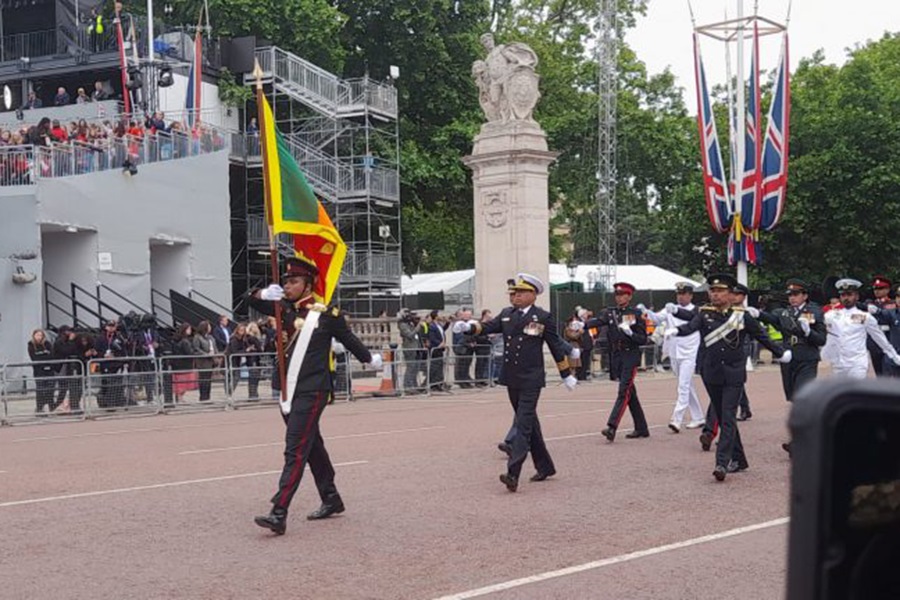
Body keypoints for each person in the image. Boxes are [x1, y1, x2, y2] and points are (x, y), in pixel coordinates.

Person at [251, 256, 381, 535]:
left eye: (294, 281)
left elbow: (349, 339)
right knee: (311, 446)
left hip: (314, 388)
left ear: (308, 284)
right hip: (288, 389)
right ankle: (331, 497)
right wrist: (262, 293)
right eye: (285, 281)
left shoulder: (326, 314)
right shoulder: (282, 308)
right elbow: (248, 301)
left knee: (295, 447)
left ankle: (279, 511)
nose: (287, 286)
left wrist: (370, 359)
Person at [458, 273, 577, 492]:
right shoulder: (506, 315)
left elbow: (555, 345)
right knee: (530, 424)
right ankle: (546, 466)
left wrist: (566, 374)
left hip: (532, 378)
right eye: (514, 293)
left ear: (533, 294)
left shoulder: (543, 317)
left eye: (521, 292)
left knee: (522, 425)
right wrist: (469, 327)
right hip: (511, 376)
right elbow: (488, 327)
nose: (516, 296)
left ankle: (513, 472)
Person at [669, 274, 791, 481]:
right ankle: (740, 459)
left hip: (734, 374)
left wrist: (780, 353)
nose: (715, 294)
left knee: (727, 416)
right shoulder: (705, 313)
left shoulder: (741, 316)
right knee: (724, 416)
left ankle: (722, 463)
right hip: (712, 373)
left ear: (730, 293)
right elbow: (690, 328)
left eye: (720, 291)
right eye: (712, 291)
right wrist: (674, 331)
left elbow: (761, 336)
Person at [752, 278, 827, 455]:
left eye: (796, 294)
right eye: (790, 295)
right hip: (789, 359)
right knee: (793, 398)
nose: (792, 298)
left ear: (805, 296)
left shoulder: (814, 311)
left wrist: (809, 332)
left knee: (802, 397)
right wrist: (756, 313)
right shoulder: (784, 313)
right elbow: (771, 319)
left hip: (807, 358)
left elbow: (821, 339)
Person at [589, 282, 650, 442]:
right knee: (630, 392)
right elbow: (597, 322)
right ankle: (641, 428)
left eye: (623, 294)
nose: (619, 297)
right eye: (617, 294)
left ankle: (612, 426)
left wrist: (630, 333)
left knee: (624, 391)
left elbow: (643, 338)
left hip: (631, 354)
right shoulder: (610, 313)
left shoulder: (636, 314)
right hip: (617, 355)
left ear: (629, 296)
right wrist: (582, 324)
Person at [642, 282, 704, 433]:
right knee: (686, 385)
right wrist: (646, 312)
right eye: (678, 294)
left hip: (689, 351)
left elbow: (691, 324)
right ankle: (699, 417)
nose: (680, 297)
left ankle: (677, 419)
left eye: (683, 294)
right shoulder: (670, 308)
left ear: (690, 295)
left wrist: (674, 312)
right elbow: (657, 319)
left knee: (683, 386)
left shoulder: (697, 311)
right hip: (674, 351)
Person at [826, 278, 900, 379]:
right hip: (860, 351)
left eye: (880, 288)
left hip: (885, 342)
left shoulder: (890, 305)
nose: (877, 291)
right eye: (843, 295)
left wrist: (893, 355)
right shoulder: (835, 314)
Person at [730, 283, 754, 421]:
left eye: (737, 294)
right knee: (734, 378)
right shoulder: (729, 310)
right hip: (730, 346)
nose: (734, 297)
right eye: (733, 293)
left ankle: (743, 407)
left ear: (743, 297)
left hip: (743, 345)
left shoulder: (747, 312)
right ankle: (745, 407)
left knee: (737, 376)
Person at [864, 275, 895, 376]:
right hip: (874, 343)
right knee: (879, 373)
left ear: (887, 289)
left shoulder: (893, 304)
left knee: (891, 372)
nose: (877, 291)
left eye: (880, 288)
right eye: (875, 288)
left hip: (889, 340)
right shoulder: (869, 304)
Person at [27, 329, 56, 414]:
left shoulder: (47, 344)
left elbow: (51, 356)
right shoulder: (31, 345)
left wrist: (44, 356)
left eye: (41, 335)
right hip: (39, 371)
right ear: (34, 336)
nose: (39, 337)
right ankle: (39, 408)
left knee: (50, 388)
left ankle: (51, 406)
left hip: (49, 370)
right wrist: (44, 355)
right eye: (37, 335)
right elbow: (34, 358)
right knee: (40, 389)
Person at [192, 320, 217, 401]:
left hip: (211, 361)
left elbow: (214, 347)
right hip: (202, 362)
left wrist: (215, 354)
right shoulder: (197, 337)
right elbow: (196, 349)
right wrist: (206, 354)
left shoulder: (211, 337)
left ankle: (208, 396)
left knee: (208, 380)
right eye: (208, 326)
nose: (210, 328)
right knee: (203, 379)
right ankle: (203, 396)